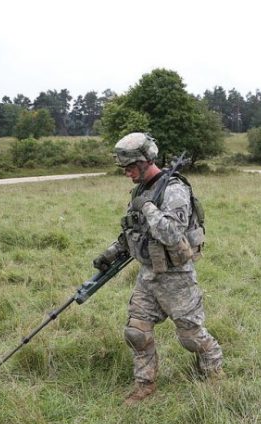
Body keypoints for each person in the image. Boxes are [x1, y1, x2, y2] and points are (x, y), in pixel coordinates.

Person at [93, 132, 223, 405]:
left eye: (130, 167)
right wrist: (113, 252)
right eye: (124, 168)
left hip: (177, 277)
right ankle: (145, 384)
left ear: (144, 161)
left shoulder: (174, 189)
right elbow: (132, 229)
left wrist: (150, 207)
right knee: (136, 332)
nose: (126, 173)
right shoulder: (141, 189)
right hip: (148, 275)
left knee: (191, 338)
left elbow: (173, 234)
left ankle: (214, 374)